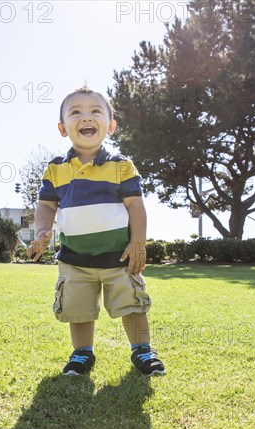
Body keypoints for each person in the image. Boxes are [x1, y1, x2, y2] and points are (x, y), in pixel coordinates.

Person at [28, 86, 165, 377]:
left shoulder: (121, 166)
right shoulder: (55, 169)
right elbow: (46, 205)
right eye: (75, 112)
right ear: (63, 128)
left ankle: (142, 350)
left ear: (111, 125)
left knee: (132, 304)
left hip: (119, 257)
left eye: (95, 111)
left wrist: (138, 242)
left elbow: (136, 207)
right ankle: (82, 354)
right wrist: (42, 231)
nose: (86, 116)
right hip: (74, 259)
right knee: (78, 309)